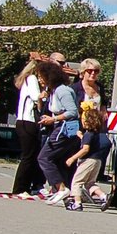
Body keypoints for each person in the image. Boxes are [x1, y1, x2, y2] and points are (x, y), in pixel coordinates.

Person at [35, 60, 82, 204]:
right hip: (60, 127)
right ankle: (61, 191)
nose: (39, 79)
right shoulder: (53, 91)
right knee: (58, 160)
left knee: (44, 157)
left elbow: (73, 112)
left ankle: (61, 188)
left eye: (41, 76)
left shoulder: (62, 90)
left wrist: (53, 119)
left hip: (64, 129)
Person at [63, 105, 112, 210]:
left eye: (83, 120)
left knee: (77, 181)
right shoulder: (95, 133)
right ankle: (103, 196)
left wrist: (72, 158)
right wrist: (81, 137)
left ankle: (77, 203)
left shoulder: (88, 134)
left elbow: (85, 149)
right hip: (97, 161)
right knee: (89, 183)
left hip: (87, 161)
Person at [10, 58, 46, 197]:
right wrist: (44, 94)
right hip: (28, 121)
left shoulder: (25, 80)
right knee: (28, 157)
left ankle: (24, 186)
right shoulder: (31, 79)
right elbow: (36, 96)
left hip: (24, 121)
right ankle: (20, 188)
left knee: (31, 155)